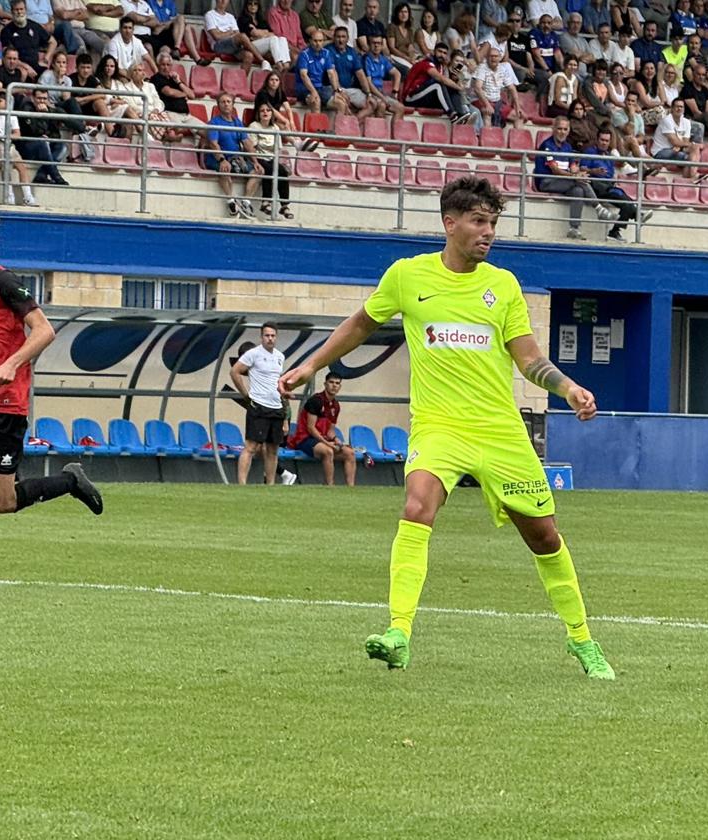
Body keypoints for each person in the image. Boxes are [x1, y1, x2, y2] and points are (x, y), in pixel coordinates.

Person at [277, 176, 615, 680]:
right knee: (416, 506)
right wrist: (309, 366)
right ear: (449, 223)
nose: (488, 232)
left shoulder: (502, 286)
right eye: (479, 221)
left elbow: (528, 359)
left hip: (499, 432)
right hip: (438, 427)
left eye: (494, 223)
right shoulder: (408, 277)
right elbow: (359, 324)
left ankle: (582, 640)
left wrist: (566, 387)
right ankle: (398, 632)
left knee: (543, 537)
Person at [0, 204, 102, 517]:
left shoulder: (4, 282)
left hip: (1, 405)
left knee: (2, 502)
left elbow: (44, 331)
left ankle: (70, 480)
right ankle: (6, 474)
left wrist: (12, 363)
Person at [534, 114, 617, 239]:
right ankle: (599, 208)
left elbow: (573, 166)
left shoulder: (567, 147)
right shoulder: (547, 146)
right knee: (579, 182)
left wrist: (577, 173)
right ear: (553, 129)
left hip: (563, 181)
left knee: (578, 190)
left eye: (565, 129)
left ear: (568, 131)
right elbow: (555, 170)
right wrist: (575, 176)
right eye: (559, 129)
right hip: (547, 181)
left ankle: (574, 229)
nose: (562, 132)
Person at [230, 322, 286, 485]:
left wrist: (284, 412)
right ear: (261, 337)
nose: (270, 339)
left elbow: (278, 382)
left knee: (273, 449)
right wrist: (245, 395)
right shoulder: (253, 354)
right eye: (267, 335)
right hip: (259, 406)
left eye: (273, 335)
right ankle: (242, 484)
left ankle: (270, 484)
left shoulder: (280, 357)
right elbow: (235, 371)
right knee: (251, 447)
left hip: (276, 407)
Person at [287, 370, 355, 485]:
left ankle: (351, 487)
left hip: (322, 440)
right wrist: (328, 443)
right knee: (328, 451)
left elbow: (330, 431)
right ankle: (329, 485)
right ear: (325, 384)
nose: (334, 385)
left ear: (340, 386)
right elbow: (311, 428)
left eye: (337, 383)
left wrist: (336, 440)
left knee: (349, 453)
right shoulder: (316, 401)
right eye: (331, 382)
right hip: (305, 439)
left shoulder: (336, 405)